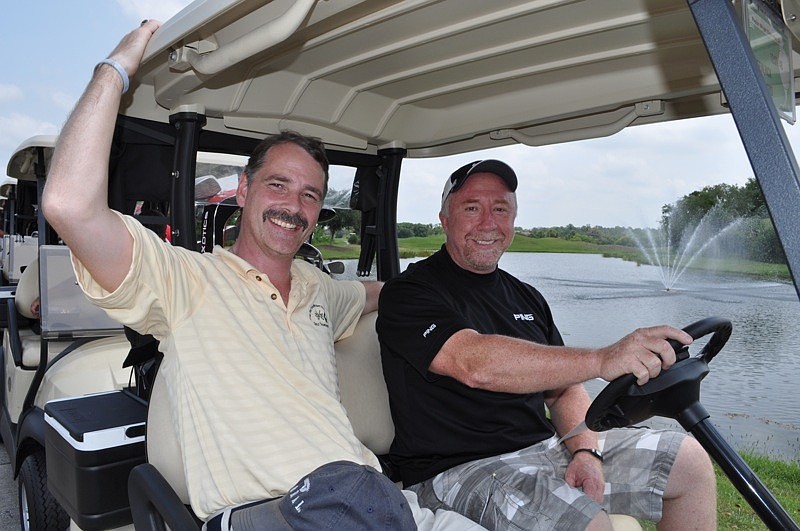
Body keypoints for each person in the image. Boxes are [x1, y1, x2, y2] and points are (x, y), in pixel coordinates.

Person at [41, 20, 433, 531]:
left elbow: (373, 293)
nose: (293, 206)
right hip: (273, 512)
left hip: (375, 498)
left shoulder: (320, 289)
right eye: (278, 185)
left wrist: (433, 288)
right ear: (244, 190)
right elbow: (68, 205)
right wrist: (114, 70)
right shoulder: (188, 280)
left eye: (309, 195)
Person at [376, 160, 717, 530]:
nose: (488, 223)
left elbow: (564, 391)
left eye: (501, 209)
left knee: (689, 463)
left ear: (513, 221)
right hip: (459, 469)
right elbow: (474, 364)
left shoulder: (526, 297)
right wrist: (602, 358)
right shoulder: (410, 292)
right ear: (444, 219)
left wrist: (585, 450)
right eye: (472, 208)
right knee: (590, 525)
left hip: (547, 449)